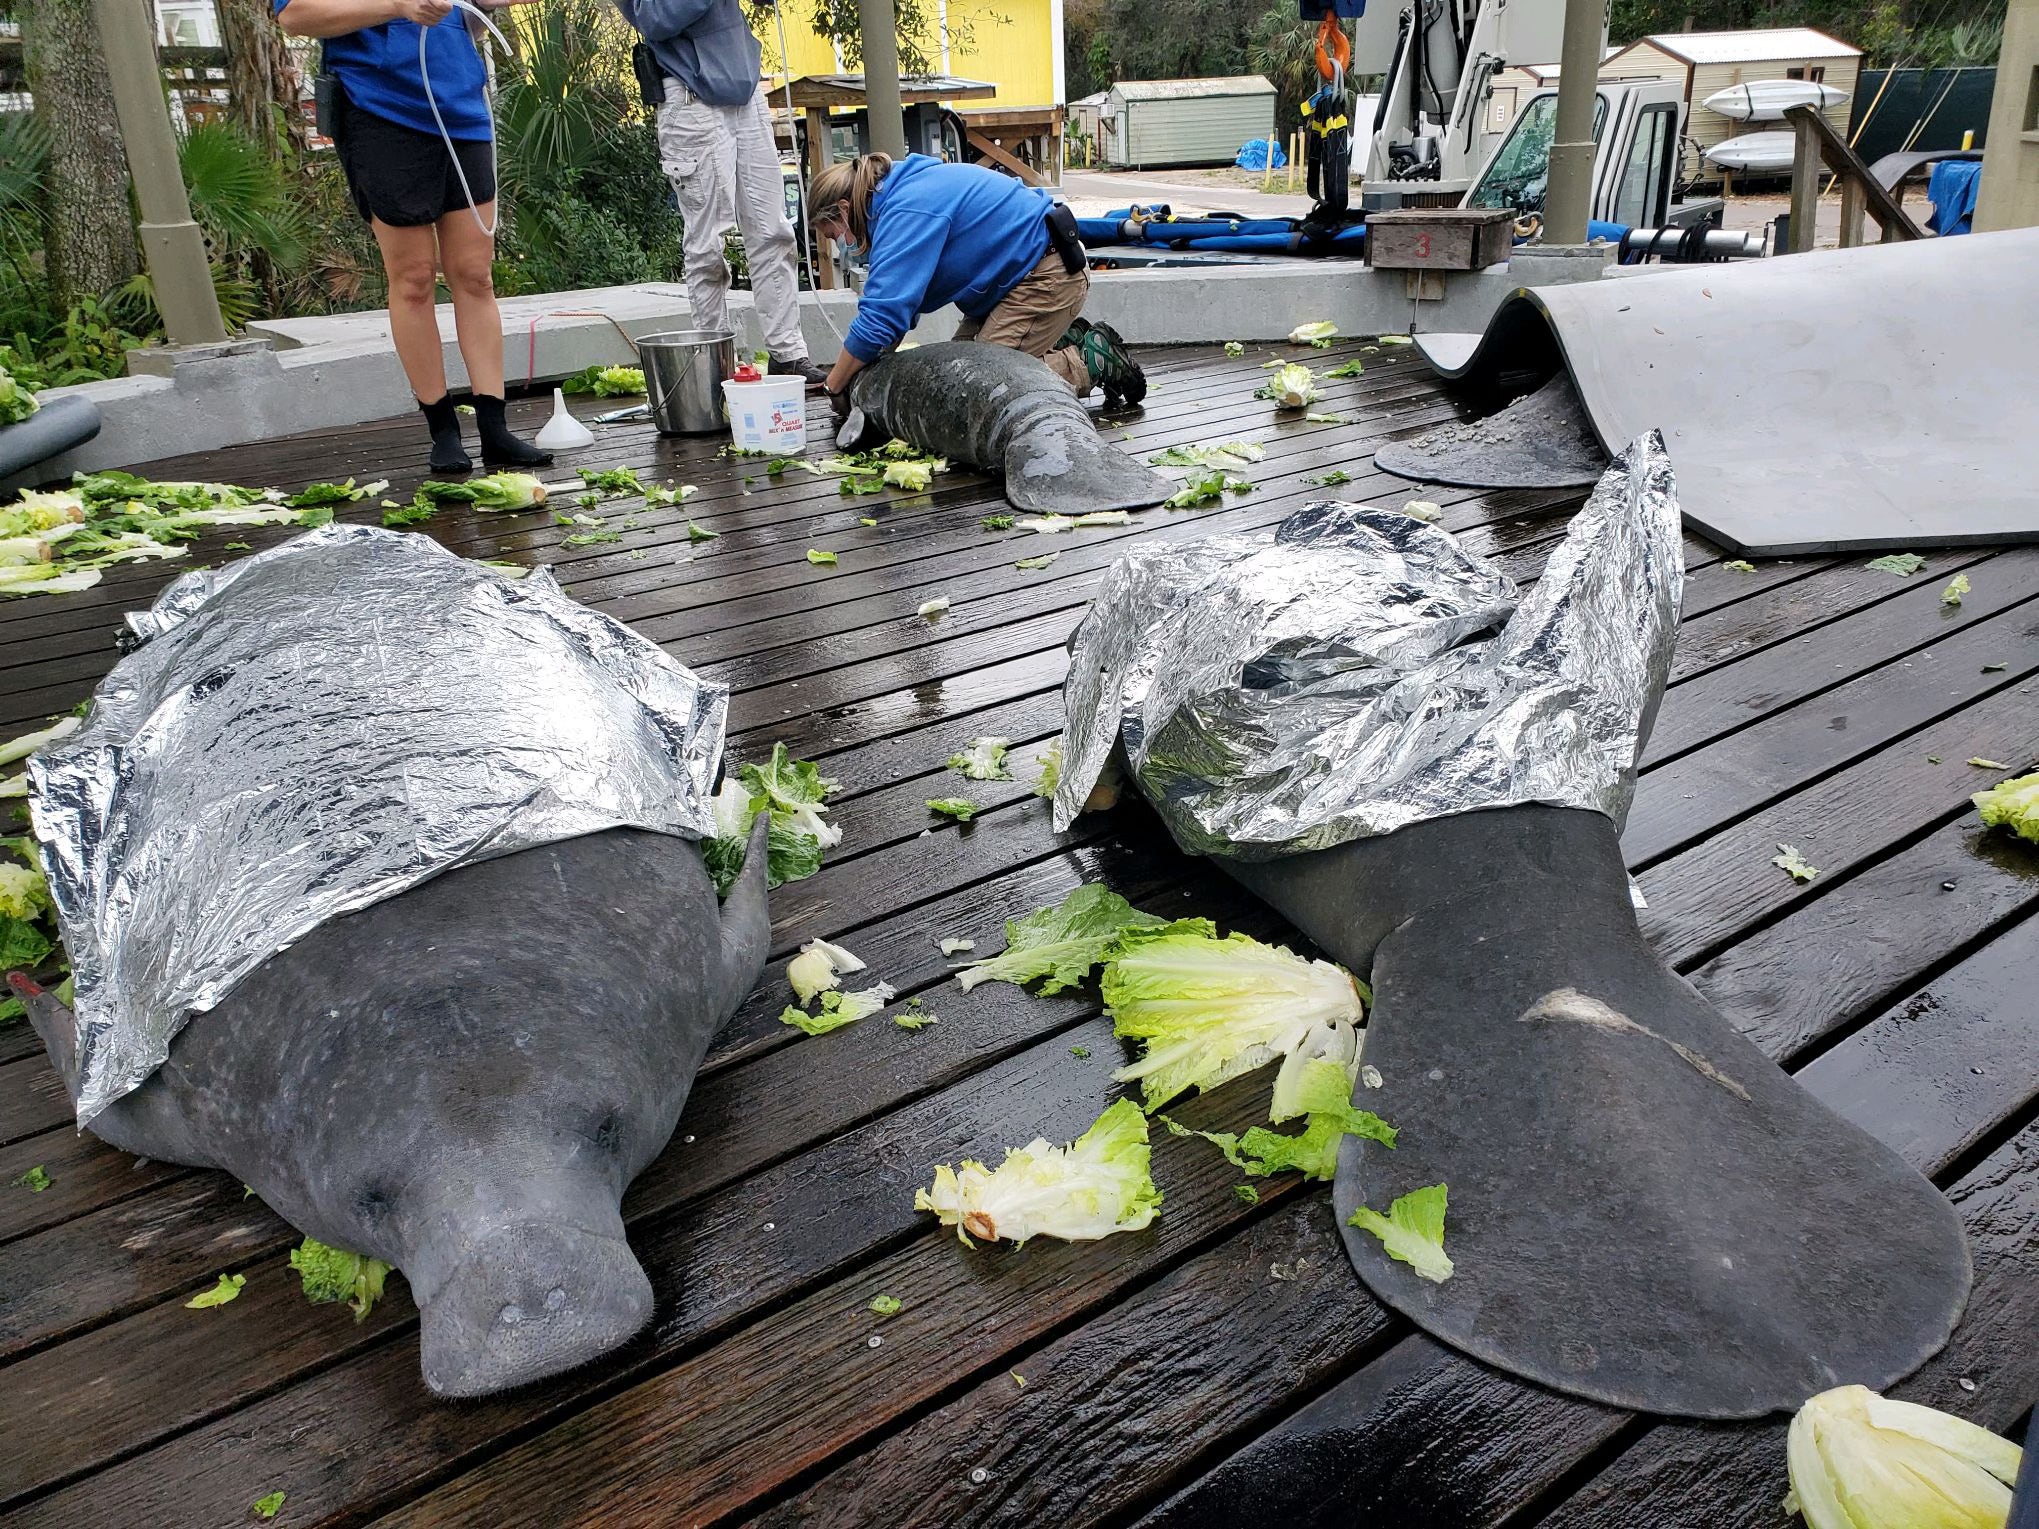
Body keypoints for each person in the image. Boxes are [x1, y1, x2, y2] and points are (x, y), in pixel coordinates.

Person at [277, 0, 551, 473]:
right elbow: (295, 15)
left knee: (474, 274)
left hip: (462, 106)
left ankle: (495, 428)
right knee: (414, 277)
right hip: (380, 114)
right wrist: (396, 7)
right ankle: (442, 431)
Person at [810, 152, 1146, 410]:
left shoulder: (906, 210)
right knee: (950, 378)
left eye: (832, 233)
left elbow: (879, 319)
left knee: (980, 390)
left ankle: (1093, 360)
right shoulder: (900, 196)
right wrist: (864, 366)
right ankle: (1057, 338)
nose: (839, 243)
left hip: (1046, 276)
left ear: (843, 209)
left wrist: (834, 385)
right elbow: (892, 316)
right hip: (1013, 282)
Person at [610, 0, 828, 386]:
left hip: (745, 90)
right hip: (689, 97)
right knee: (707, 244)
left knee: (773, 233)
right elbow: (655, 18)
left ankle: (788, 354)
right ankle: (713, 371)